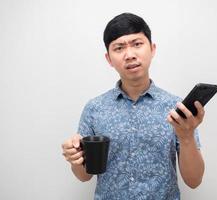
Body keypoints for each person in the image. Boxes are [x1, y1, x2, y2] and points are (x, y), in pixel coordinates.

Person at [62, 12, 205, 199]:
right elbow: (84, 176)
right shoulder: (94, 109)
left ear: (152, 49)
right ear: (109, 59)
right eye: (119, 47)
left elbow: (194, 181)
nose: (129, 55)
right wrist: (75, 159)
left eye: (137, 44)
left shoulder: (177, 109)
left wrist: (186, 137)